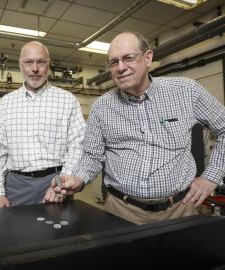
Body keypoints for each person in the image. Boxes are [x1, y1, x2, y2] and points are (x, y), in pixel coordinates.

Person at [45, 31, 225, 224]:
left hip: (179, 209)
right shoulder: (101, 107)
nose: (121, 67)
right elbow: (92, 155)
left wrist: (210, 177)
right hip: (121, 210)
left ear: (148, 58)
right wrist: (78, 178)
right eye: (114, 62)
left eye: (128, 58)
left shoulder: (186, 91)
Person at [0, 41, 86, 207]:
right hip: (16, 186)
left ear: (49, 65)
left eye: (41, 62)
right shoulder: (5, 103)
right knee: (16, 232)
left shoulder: (67, 100)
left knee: (59, 232)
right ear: (20, 65)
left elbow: (78, 145)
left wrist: (61, 184)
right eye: (28, 62)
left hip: (56, 182)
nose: (34, 68)